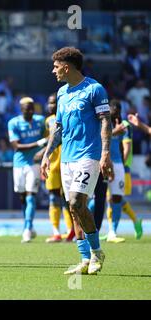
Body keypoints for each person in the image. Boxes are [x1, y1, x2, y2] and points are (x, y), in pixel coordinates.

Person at [42, 47, 113, 275]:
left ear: (66, 67)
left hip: (89, 155)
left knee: (75, 201)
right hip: (67, 158)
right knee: (73, 209)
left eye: (55, 67)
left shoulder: (94, 89)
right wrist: (46, 154)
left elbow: (105, 121)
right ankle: (85, 258)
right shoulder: (62, 93)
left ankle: (96, 252)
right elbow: (59, 128)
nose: (53, 71)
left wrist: (105, 153)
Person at [8, 97, 47, 243]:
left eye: (32, 108)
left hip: (34, 163)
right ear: (21, 109)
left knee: (31, 195)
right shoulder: (13, 123)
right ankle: (28, 226)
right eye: (27, 109)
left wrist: (43, 150)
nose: (30, 111)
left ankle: (27, 227)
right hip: (19, 163)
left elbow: (49, 137)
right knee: (23, 197)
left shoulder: (41, 121)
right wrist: (38, 143)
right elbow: (16, 146)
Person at [103, 100, 142, 241]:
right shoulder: (103, 123)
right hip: (103, 164)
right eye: (112, 111)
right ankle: (102, 230)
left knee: (115, 199)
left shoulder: (125, 126)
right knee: (104, 199)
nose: (115, 114)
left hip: (120, 165)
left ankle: (113, 231)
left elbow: (127, 148)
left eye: (117, 112)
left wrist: (120, 167)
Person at [41, 93, 74, 243]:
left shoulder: (67, 115)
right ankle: (56, 232)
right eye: (49, 103)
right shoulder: (48, 121)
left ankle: (71, 230)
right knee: (54, 197)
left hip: (67, 161)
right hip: (52, 164)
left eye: (53, 103)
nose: (51, 106)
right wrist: (43, 155)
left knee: (68, 198)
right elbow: (49, 141)